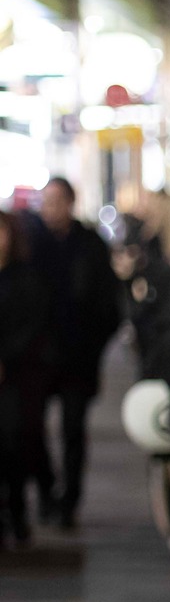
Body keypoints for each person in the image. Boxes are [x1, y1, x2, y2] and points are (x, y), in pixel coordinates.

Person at [27, 176, 120, 528]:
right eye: (45, 201)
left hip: (78, 358)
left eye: (56, 201)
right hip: (36, 358)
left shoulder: (90, 244)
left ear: (70, 202)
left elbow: (108, 303)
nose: (50, 209)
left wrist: (93, 344)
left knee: (72, 430)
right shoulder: (33, 244)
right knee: (30, 429)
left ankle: (69, 502)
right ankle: (47, 489)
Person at [0, 211, 48, 549]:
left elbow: (34, 326)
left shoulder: (26, 278)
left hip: (18, 378)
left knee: (16, 445)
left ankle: (18, 512)